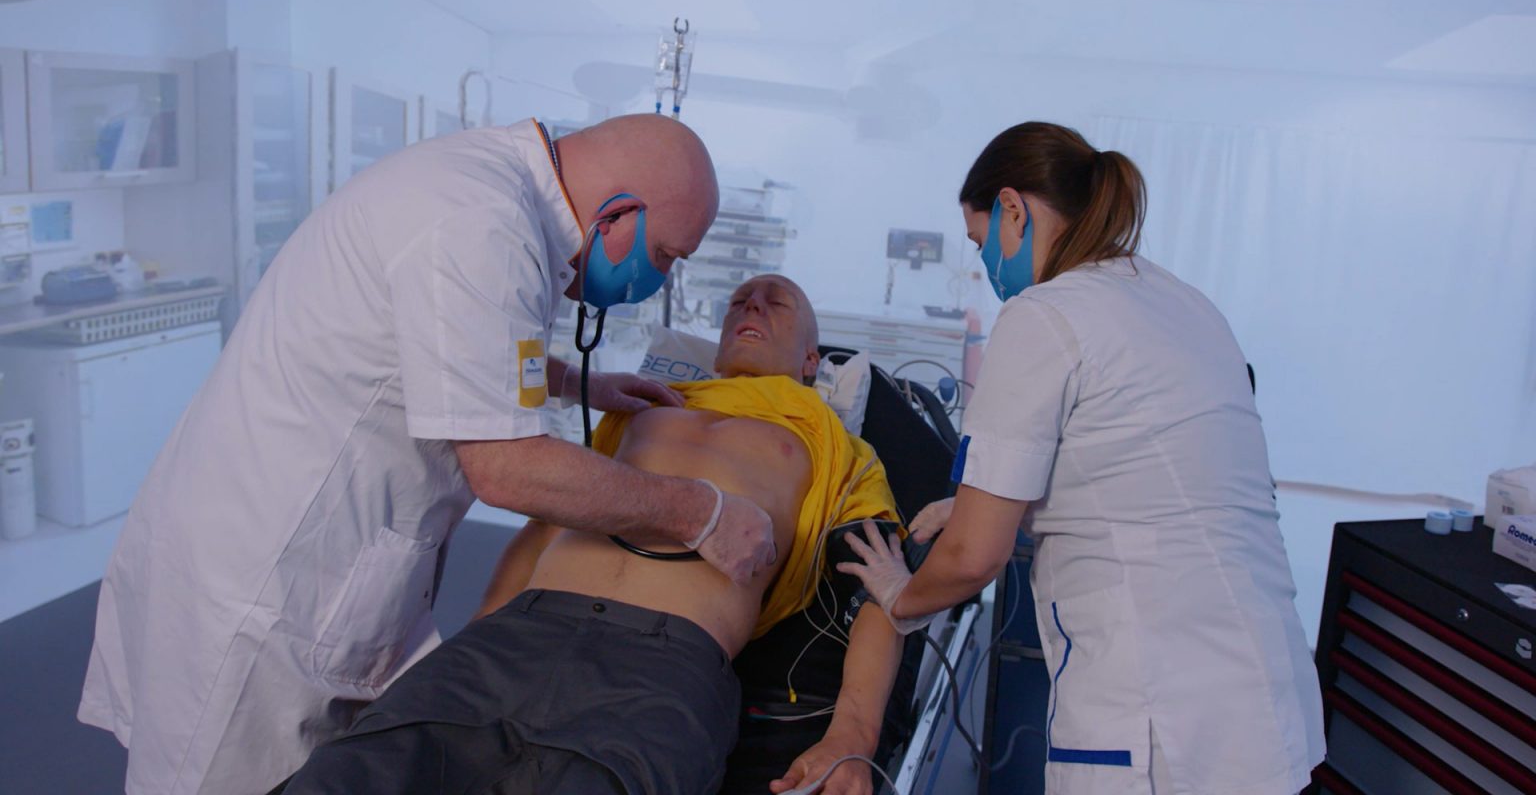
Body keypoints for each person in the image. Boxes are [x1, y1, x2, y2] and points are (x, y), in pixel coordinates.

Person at [78, 115, 779, 795]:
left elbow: (454, 340)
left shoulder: (484, 188)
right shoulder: (482, 221)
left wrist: (574, 381)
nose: (661, 278)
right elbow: (509, 469)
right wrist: (700, 513)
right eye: (666, 257)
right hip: (269, 578)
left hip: (304, 543)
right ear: (617, 215)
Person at [839, 123, 1326, 795]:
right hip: (1266, 703)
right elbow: (1152, 478)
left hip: (1157, 723)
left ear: (1013, 210)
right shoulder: (1182, 302)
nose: (986, 265)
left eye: (981, 243)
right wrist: (989, 503)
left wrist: (901, 598)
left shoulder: (1044, 316)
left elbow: (973, 558)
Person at [280, 274, 904, 795]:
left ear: (811, 361)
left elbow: (879, 585)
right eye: (739, 300)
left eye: (777, 301)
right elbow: (546, 525)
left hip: (658, 673)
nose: (752, 305)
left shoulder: (836, 443)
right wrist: (475, 638)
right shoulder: (645, 407)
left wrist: (852, 736)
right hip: (513, 637)